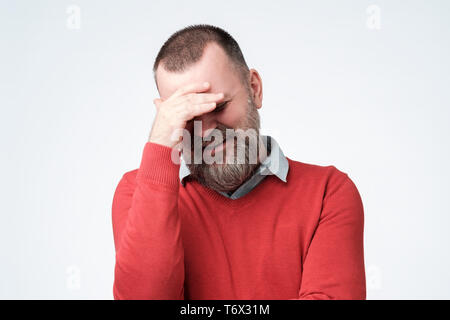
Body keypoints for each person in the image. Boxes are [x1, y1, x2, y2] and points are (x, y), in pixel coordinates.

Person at [112, 24, 366, 300]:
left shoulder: (328, 192)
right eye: (187, 117)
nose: (206, 132)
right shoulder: (137, 192)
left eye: (218, 107)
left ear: (254, 89)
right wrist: (159, 146)